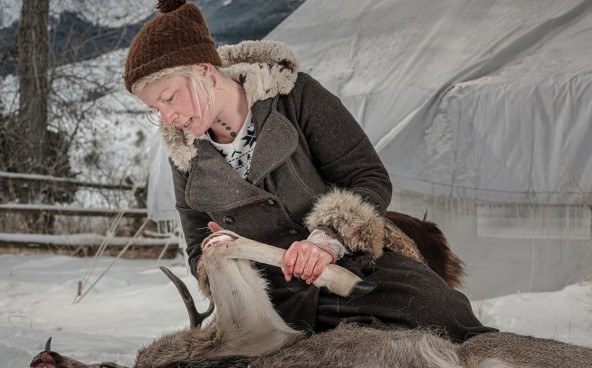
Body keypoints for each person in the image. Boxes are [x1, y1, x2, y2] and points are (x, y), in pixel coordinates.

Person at [124, 0, 495, 342]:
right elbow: (195, 247)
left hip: (354, 274)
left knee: (444, 318)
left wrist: (326, 240)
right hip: (271, 304)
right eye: (155, 109)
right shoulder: (184, 152)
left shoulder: (294, 97)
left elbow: (368, 177)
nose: (167, 117)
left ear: (204, 72)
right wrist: (216, 254)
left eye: (169, 98)